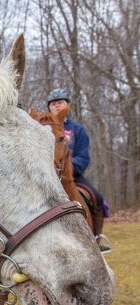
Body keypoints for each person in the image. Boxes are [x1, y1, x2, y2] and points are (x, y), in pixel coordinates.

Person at [47, 88, 110, 252]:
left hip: (72, 175)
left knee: (97, 197)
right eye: (53, 104)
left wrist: (68, 168)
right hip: (47, 174)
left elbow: (83, 155)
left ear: (67, 105)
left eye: (60, 102)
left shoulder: (77, 129)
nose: (57, 106)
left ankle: (97, 237)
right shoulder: (43, 126)